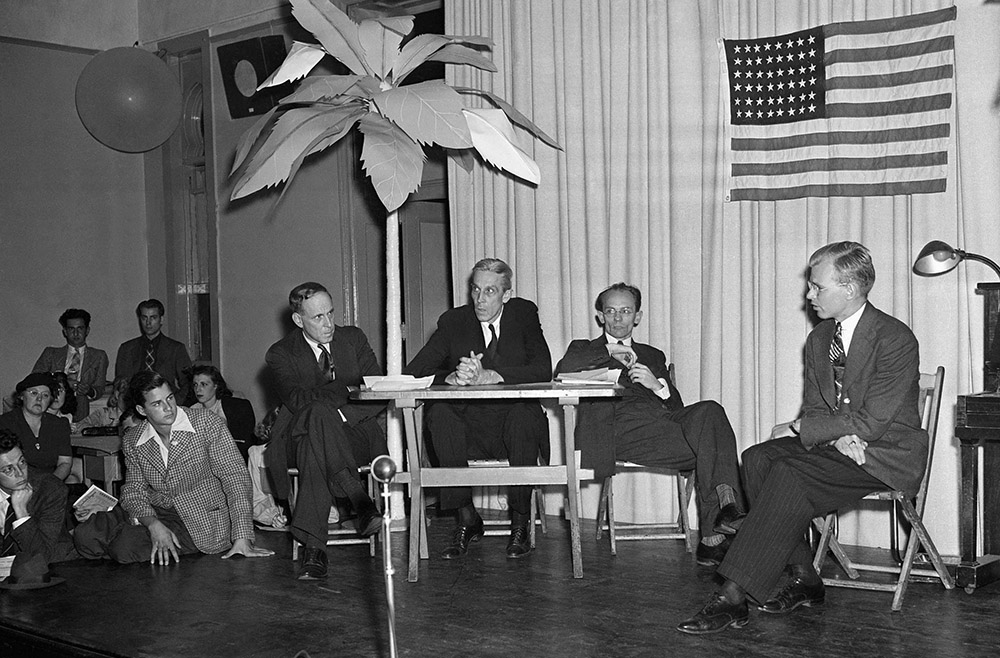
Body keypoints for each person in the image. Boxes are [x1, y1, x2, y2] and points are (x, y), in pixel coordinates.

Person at [677, 241, 928, 635]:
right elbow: (815, 408)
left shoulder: (894, 338)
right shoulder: (818, 339)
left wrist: (807, 430)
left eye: (817, 286)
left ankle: (733, 596)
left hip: (882, 455)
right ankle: (806, 577)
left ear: (849, 288)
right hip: (843, 444)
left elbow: (873, 423)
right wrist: (832, 436)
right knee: (758, 457)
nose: (809, 295)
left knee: (790, 474)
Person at [554, 283, 746, 565]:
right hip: (618, 431)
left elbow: (678, 409)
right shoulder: (583, 349)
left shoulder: (653, 355)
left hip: (662, 427)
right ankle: (715, 532)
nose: (618, 318)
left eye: (625, 311)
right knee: (712, 448)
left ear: (638, 316)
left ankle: (722, 517)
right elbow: (564, 370)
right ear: (601, 317)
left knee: (710, 412)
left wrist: (658, 386)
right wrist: (611, 351)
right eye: (611, 311)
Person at [403, 258, 552, 560]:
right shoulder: (454, 321)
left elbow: (543, 369)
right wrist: (451, 377)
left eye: (490, 292)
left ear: (506, 295)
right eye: (475, 290)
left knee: (524, 416)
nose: (480, 300)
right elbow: (415, 370)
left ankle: (520, 522)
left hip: (513, 426)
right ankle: (466, 517)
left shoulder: (523, 315)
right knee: (440, 415)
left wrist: (493, 375)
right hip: (468, 428)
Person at [73, 372, 273, 564]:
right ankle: (134, 529)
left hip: (199, 516)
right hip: (156, 509)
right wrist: (152, 524)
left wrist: (242, 537)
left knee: (124, 548)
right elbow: (134, 490)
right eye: (157, 403)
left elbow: (236, 477)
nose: (168, 408)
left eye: (169, 398)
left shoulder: (206, 423)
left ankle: (129, 533)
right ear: (142, 410)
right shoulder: (133, 440)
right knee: (84, 536)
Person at [264, 282, 387, 580]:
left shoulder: (353, 339)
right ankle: (358, 499)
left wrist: (342, 411)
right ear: (298, 320)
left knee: (315, 439)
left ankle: (315, 549)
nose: (329, 323)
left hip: (353, 430)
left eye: (331, 313)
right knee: (316, 420)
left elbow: (378, 392)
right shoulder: (280, 354)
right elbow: (297, 401)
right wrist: (347, 390)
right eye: (318, 317)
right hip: (297, 434)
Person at [0, 429, 77, 587]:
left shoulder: (50, 489)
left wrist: (22, 514)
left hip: (49, 575)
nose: (20, 474)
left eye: (22, 462)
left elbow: (40, 558)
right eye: (8, 469)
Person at [33, 308, 109, 422]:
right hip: (51, 406)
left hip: (80, 408)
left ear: (87, 330)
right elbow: (35, 378)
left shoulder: (99, 356)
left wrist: (89, 390)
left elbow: (99, 388)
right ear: (65, 331)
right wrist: (62, 383)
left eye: (80, 328)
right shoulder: (50, 353)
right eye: (71, 329)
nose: (76, 333)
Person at [115, 299, 193, 404]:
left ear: (161, 319)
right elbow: (121, 382)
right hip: (135, 406)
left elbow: (188, 383)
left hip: (165, 405)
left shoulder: (176, 348)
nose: (148, 323)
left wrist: (174, 404)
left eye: (153, 318)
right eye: (144, 318)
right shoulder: (127, 348)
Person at [0, 373, 72, 481]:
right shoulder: (5, 423)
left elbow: (65, 463)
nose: (39, 399)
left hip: (51, 484)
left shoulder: (59, 424)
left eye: (45, 395)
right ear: (21, 396)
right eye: (34, 393)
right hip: (15, 483)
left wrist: (49, 484)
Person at [186, 365, 257, 463]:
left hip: (233, 460)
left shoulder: (237, 407)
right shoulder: (191, 411)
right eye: (195, 385)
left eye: (204, 384)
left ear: (215, 386)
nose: (198, 389)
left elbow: (245, 441)